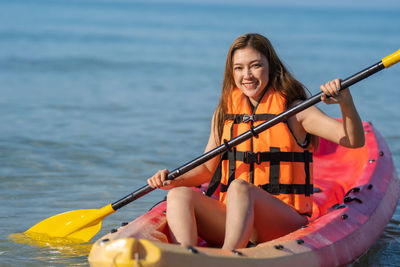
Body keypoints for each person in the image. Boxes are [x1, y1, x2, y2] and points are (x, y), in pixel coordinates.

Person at [147, 33, 365, 251]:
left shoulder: (295, 110)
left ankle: (227, 258)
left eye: (255, 66)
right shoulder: (224, 113)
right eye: (239, 68)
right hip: (235, 220)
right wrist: (171, 180)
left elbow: (353, 140)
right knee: (178, 196)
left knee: (240, 188)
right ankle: (185, 256)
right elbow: (206, 169)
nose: (247, 75)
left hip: (284, 222)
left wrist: (345, 103)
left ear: (271, 67)